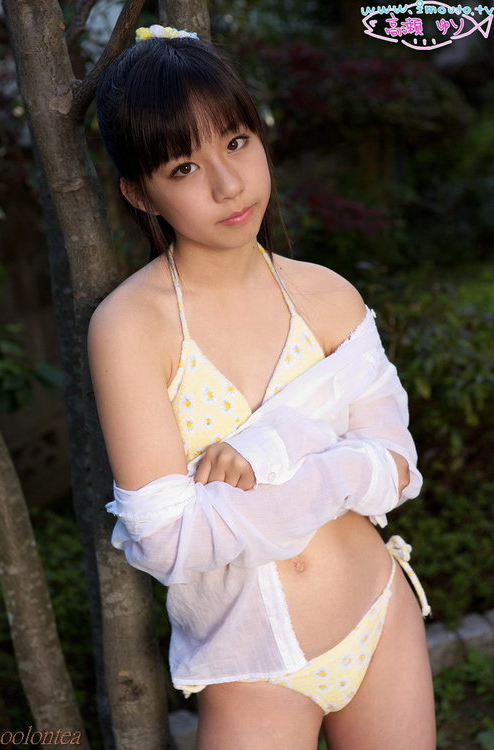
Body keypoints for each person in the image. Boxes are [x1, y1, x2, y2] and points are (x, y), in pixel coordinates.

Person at [89, 25, 436, 750]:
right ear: (140, 193)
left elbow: (398, 466)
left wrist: (272, 448)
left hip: (380, 615)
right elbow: (170, 540)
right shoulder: (130, 328)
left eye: (237, 141)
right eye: (184, 167)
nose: (228, 184)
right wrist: (335, 461)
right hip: (252, 668)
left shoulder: (328, 295)